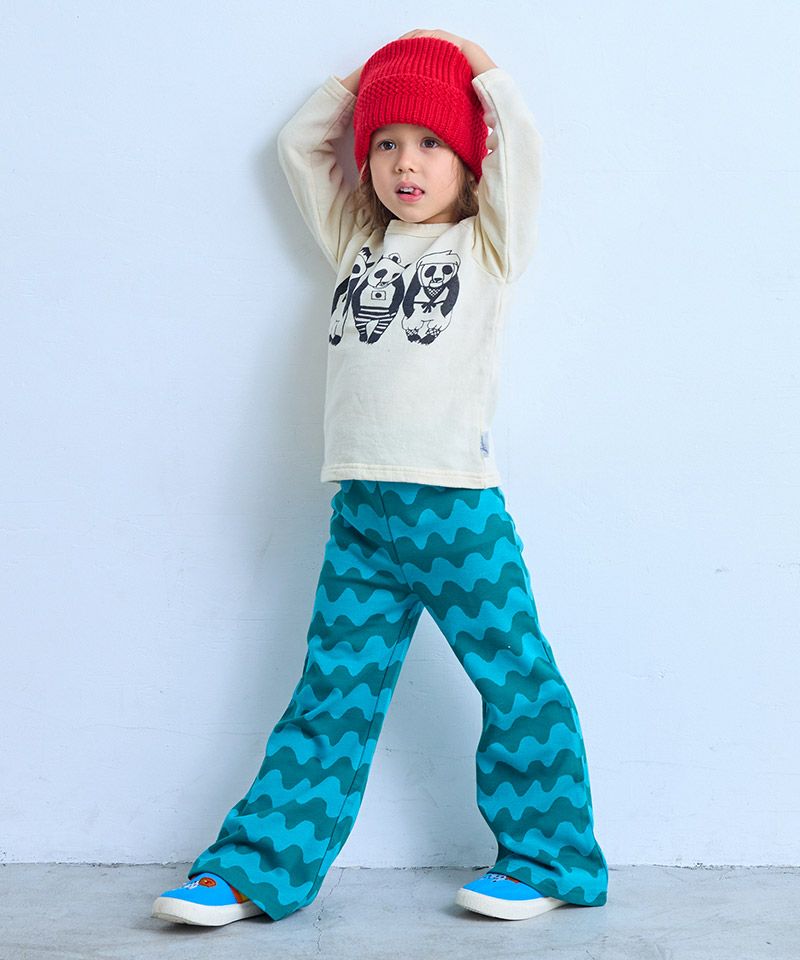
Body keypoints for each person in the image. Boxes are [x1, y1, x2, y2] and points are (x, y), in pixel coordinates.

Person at [151, 29, 609, 928]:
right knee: (332, 693)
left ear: (469, 163)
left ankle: (553, 859)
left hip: (456, 509)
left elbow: (520, 142)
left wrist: (468, 61)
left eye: (432, 143)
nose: (406, 163)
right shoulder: (357, 240)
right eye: (388, 142)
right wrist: (372, 77)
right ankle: (257, 869)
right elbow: (298, 145)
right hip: (362, 512)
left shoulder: (489, 246)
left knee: (518, 679)